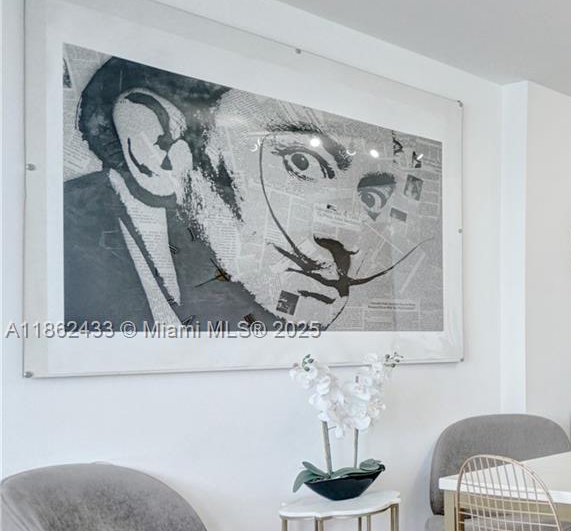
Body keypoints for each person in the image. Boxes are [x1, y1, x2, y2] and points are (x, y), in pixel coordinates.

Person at [63, 47, 436, 330]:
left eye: (371, 197)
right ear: (156, 149)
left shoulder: (247, 305)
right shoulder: (68, 257)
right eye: (301, 163)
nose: (352, 241)